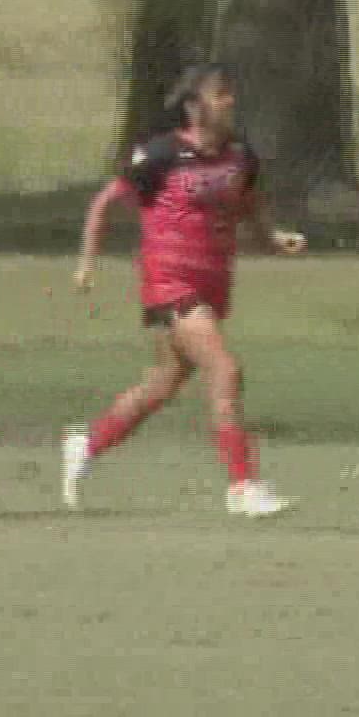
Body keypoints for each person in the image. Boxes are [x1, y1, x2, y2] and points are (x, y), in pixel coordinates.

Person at [64, 63, 304, 517]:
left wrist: (273, 236)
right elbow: (105, 203)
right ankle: (243, 486)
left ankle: (86, 445)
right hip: (169, 280)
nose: (229, 100)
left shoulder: (240, 155)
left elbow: (250, 204)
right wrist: (86, 263)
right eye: (219, 93)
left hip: (214, 279)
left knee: (164, 383)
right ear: (194, 107)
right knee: (225, 370)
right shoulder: (161, 154)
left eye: (230, 92)